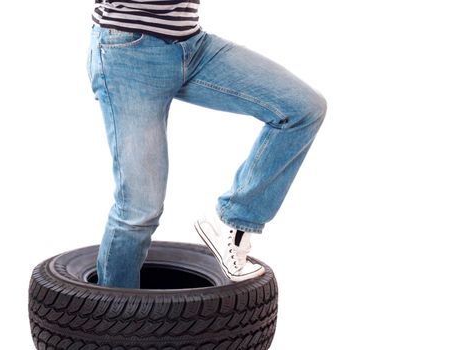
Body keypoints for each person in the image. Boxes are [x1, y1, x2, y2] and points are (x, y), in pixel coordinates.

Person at [87, 0, 327, 289]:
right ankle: (113, 323)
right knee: (139, 210)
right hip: (128, 54)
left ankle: (233, 221)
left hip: (193, 46)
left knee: (302, 108)